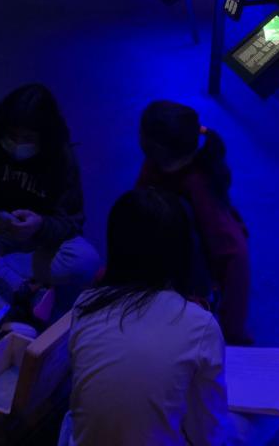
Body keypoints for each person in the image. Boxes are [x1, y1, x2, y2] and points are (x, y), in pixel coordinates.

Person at [63, 188, 242, 446]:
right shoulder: (199, 325)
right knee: (243, 424)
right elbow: (207, 435)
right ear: (182, 250)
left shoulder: (85, 304)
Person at [0, 84, 100, 317]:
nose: (17, 144)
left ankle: (10, 278)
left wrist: (40, 225)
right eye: (12, 136)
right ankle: (23, 286)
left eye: (27, 138)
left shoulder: (61, 157)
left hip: (43, 243)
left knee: (86, 260)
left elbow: (72, 221)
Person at [137, 100, 251, 346]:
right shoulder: (157, 164)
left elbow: (236, 254)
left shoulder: (198, 187)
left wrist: (232, 334)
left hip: (193, 274)